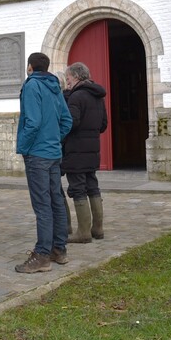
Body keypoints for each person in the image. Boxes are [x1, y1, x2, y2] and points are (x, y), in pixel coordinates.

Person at [15, 52, 72, 273]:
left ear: (30, 67)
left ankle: (42, 254)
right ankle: (59, 249)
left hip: (38, 154)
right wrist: (55, 138)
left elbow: (33, 121)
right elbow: (66, 120)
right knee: (56, 201)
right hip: (53, 152)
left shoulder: (32, 86)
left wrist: (25, 146)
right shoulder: (54, 85)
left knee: (43, 204)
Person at [62, 62, 108, 243]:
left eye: (68, 79)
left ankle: (83, 232)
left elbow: (71, 122)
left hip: (76, 150)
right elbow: (103, 124)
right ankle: (98, 228)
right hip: (92, 149)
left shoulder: (77, 96)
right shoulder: (97, 96)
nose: (67, 83)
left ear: (76, 77)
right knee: (92, 186)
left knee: (78, 188)